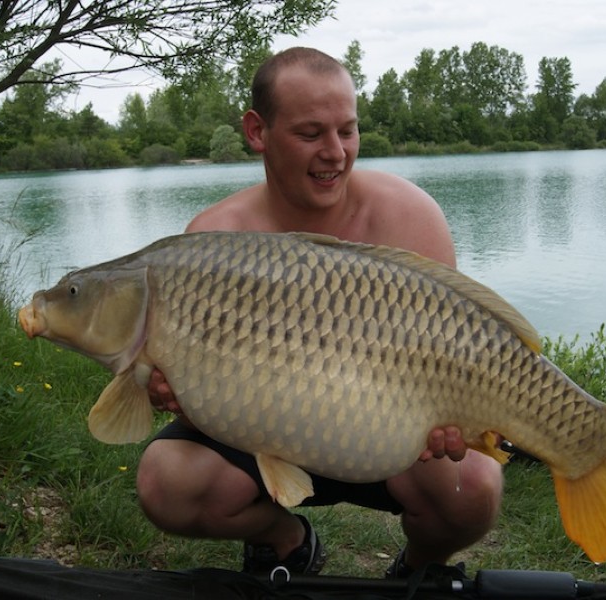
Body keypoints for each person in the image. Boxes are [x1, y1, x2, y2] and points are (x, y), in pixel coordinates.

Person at [136, 47, 503, 578]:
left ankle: (419, 568)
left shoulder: (411, 218)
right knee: (164, 482)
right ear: (257, 131)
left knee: (476, 487)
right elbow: (206, 409)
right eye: (311, 134)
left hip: (389, 437)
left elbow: (454, 354)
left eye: (347, 131)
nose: (335, 153)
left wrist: (457, 418)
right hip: (261, 434)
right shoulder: (214, 241)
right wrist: (178, 395)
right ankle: (287, 541)